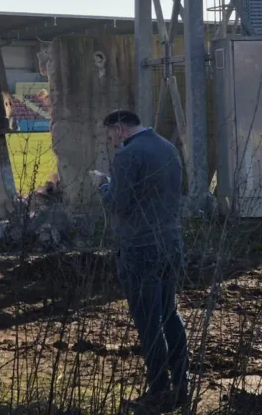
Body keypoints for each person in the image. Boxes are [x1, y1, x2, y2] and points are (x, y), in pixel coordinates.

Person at [91, 109, 189, 413]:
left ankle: (158, 391)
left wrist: (102, 184)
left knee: (148, 322)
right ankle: (182, 386)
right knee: (169, 314)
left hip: (140, 247)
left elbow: (118, 204)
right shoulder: (167, 147)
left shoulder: (127, 156)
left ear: (120, 129)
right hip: (171, 243)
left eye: (110, 135)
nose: (110, 141)